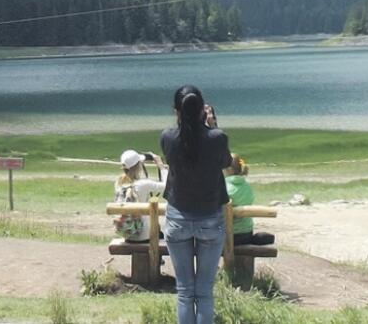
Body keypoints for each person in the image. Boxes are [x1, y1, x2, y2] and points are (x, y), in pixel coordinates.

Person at [161, 85, 232, 324]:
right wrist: (212, 127)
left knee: (184, 291)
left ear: (176, 111)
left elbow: (173, 156)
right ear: (203, 110)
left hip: (177, 218)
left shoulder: (168, 137)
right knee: (204, 292)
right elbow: (226, 162)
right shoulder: (217, 138)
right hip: (210, 219)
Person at [113, 148, 168, 242]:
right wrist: (161, 166)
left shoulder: (119, 183)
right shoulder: (143, 185)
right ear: (139, 165)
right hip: (144, 235)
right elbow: (167, 185)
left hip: (128, 234)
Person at [224, 153, 275, 246]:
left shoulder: (224, 187)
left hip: (228, 236)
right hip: (246, 233)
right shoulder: (247, 187)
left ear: (229, 170)